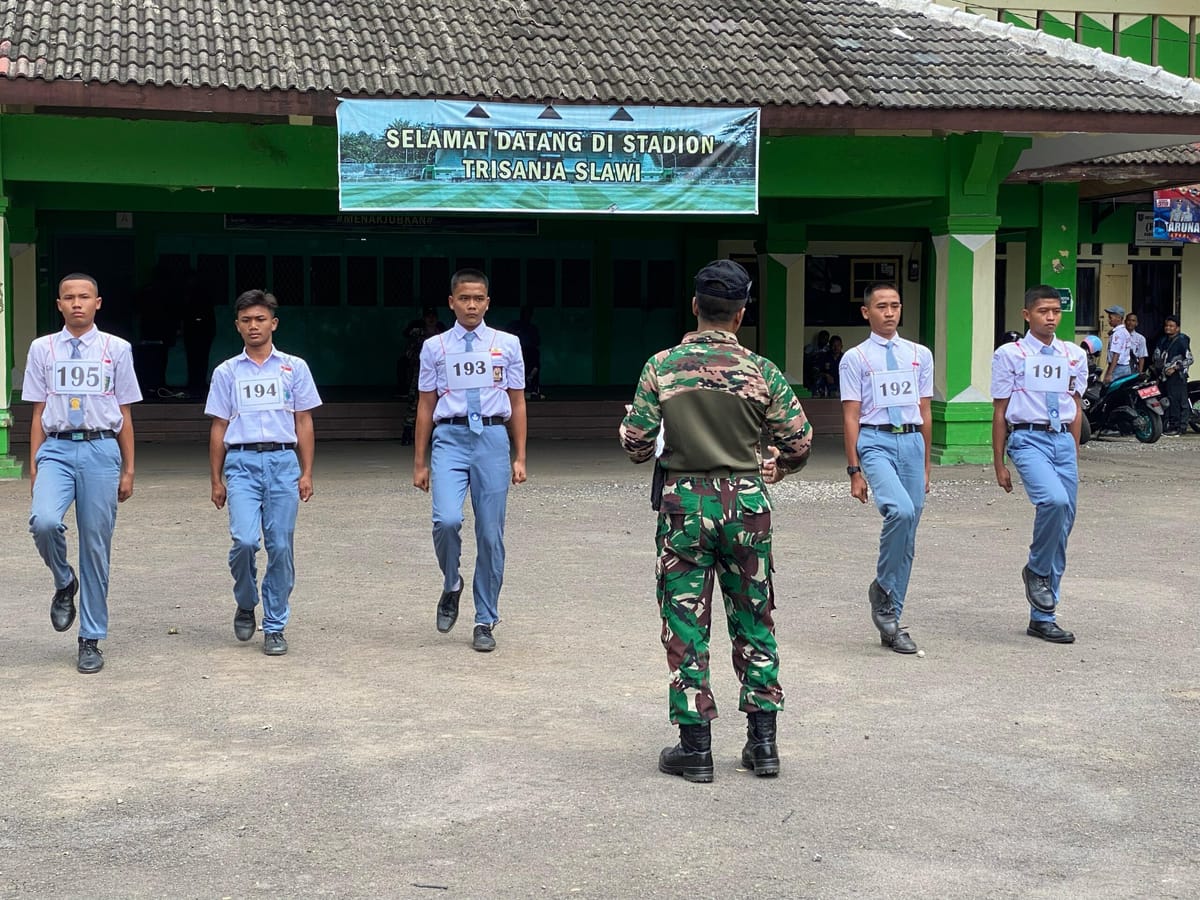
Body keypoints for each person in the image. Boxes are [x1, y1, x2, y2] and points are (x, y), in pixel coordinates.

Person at [619, 259, 812, 783]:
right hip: (747, 505)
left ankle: (695, 747)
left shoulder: (662, 366)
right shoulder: (762, 371)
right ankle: (764, 744)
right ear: (742, 311)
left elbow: (636, 442)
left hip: (685, 505)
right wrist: (779, 464)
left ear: (696, 305)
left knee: (686, 622)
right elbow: (799, 439)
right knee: (754, 617)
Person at [23, 273, 142, 674]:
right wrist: (36, 461)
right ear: (58, 304)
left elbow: (124, 411)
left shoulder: (116, 349)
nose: (77, 303)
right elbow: (38, 410)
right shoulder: (42, 349)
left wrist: (128, 468)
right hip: (56, 447)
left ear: (98, 302)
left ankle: (90, 638)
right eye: (69, 297)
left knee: (95, 546)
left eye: (84, 297)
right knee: (43, 521)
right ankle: (63, 581)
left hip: (100, 447)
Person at [412, 268, 527, 653]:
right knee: (446, 519)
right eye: (464, 298)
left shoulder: (507, 344)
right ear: (452, 302)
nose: (472, 304)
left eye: (478, 298)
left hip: (492, 439)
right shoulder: (435, 347)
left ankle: (484, 618)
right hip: (450, 437)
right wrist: (419, 460)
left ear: (488, 302)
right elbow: (426, 403)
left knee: (490, 534)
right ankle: (451, 582)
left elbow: (517, 400)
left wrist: (520, 454)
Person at [205, 290, 321, 657]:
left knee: (281, 547)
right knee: (244, 541)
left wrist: (306, 472)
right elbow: (219, 425)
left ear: (273, 323)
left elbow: (303, 420)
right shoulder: (227, 371)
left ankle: (274, 624)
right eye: (246, 320)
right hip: (240, 463)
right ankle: (245, 598)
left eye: (260, 319)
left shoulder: (294, 367)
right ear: (237, 326)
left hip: (282, 461)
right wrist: (215, 478)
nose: (253, 326)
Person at [839, 283, 934, 654]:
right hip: (875, 440)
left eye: (895, 306)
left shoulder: (919, 354)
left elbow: (924, 410)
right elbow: (850, 416)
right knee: (900, 510)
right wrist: (854, 470)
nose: (890, 312)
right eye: (881, 306)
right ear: (867, 313)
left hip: (911, 441)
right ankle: (883, 589)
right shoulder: (856, 359)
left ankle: (891, 615)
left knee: (909, 531)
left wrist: (926, 463)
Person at [991, 285, 1088, 645]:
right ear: (1027, 314)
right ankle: (1035, 570)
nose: (1051, 317)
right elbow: (1000, 410)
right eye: (1044, 311)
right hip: (1027, 438)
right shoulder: (1010, 355)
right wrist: (998, 461)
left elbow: (1075, 405)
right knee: (1054, 502)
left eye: (1057, 311)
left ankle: (1043, 617)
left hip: (1062, 439)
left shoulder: (1073, 354)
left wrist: (1073, 450)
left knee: (1063, 526)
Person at [400, 306, 447, 445]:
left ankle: (436, 434)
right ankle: (407, 432)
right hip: (420, 372)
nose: (431, 319)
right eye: (428, 316)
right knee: (414, 402)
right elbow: (408, 352)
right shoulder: (418, 334)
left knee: (439, 402)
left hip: (440, 374)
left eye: (433, 316)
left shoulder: (442, 335)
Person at [1154, 315, 1193, 436]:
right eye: (1166, 325)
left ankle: (1179, 428)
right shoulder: (1163, 340)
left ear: (1177, 328)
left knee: (1177, 402)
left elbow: (1190, 359)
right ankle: (1168, 426)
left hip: (1177, 377)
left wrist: (1175, 368)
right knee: (1167, 401)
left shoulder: (1181, 340)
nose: (1168, 328)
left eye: (1171, 326)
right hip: (1163, 377)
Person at [508, 305, 543, 399]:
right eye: (525, 314)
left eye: (529, 314)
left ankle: (534, 390)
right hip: (517, 352)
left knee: (535, 367)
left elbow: (537, 342)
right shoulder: (514, 326)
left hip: (530, 352)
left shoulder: (532, 328)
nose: (526, 316)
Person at [1102, 304, 1132, 383]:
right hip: (1126, 367)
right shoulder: (1125, 332)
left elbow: (1116, 354)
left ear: (1118, 318)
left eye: (1110, 317)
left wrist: (1109, 373)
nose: (1109, 320)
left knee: (1109, 392)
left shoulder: (1118, 333)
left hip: (1117, 368)